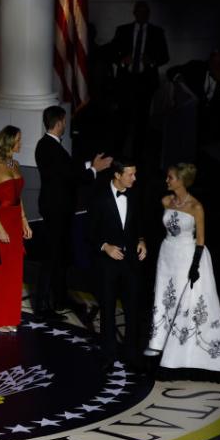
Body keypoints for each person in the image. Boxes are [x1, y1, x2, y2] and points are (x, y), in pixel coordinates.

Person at [145, 164, 220, 380]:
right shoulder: (165, 201)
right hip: (166, 256)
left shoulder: (196, 207)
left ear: (181, 180)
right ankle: (158, 343)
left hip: (186, 257)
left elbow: (200, 241)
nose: (167, 181)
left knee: (184, 302)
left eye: (170, 178)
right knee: (164, 298)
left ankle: (178, 354)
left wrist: (194, 267)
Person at [34, 106, 111, 322]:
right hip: (55, 210)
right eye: (65, 121)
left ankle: (59, 298)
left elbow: (68, 168)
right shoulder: (50, 147)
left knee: (60, 256)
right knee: (51, 257)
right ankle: (42, 304)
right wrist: (94, 170)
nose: (66, 125)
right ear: (59, 122)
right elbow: (70, 176)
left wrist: (90, 165)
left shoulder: (48, 146)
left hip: (60, 209)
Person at [87, 159, 147, 371]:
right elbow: (90, 233)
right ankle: (108, 355)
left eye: (135, 174)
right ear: (117, 175)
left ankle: (132, 354)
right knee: (108, 308)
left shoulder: (134, 194)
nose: (134, 178)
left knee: (132, 308)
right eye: (130, 174)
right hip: (107, 263)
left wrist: (141, 240)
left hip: (131, 261)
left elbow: (138, 223)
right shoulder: (98, 198)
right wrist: (106, 247)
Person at [0, 127, 33, 333]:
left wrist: (24, 221)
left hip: (14, 221)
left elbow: (18, 197)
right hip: (1, 221)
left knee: (14, 272)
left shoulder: (14, 163)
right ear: (9, 142)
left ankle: (10, 316)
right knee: (0, 273)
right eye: (19, 140)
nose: (21, 143)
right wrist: (0, 229)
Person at [111, 1, 170, 158]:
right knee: (123, 118)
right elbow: (111, 52)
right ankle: (118, 153)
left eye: (145, 12)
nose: (142, 15)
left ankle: (137, 156)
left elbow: (165, 56)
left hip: (145, 81)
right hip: (126, 81)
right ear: (134, 13)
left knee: (142, 120)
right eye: (139, 11)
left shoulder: (157, 32)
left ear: (148, 14)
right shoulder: (123, 30)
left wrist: (152, 61)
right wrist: (123, 61)